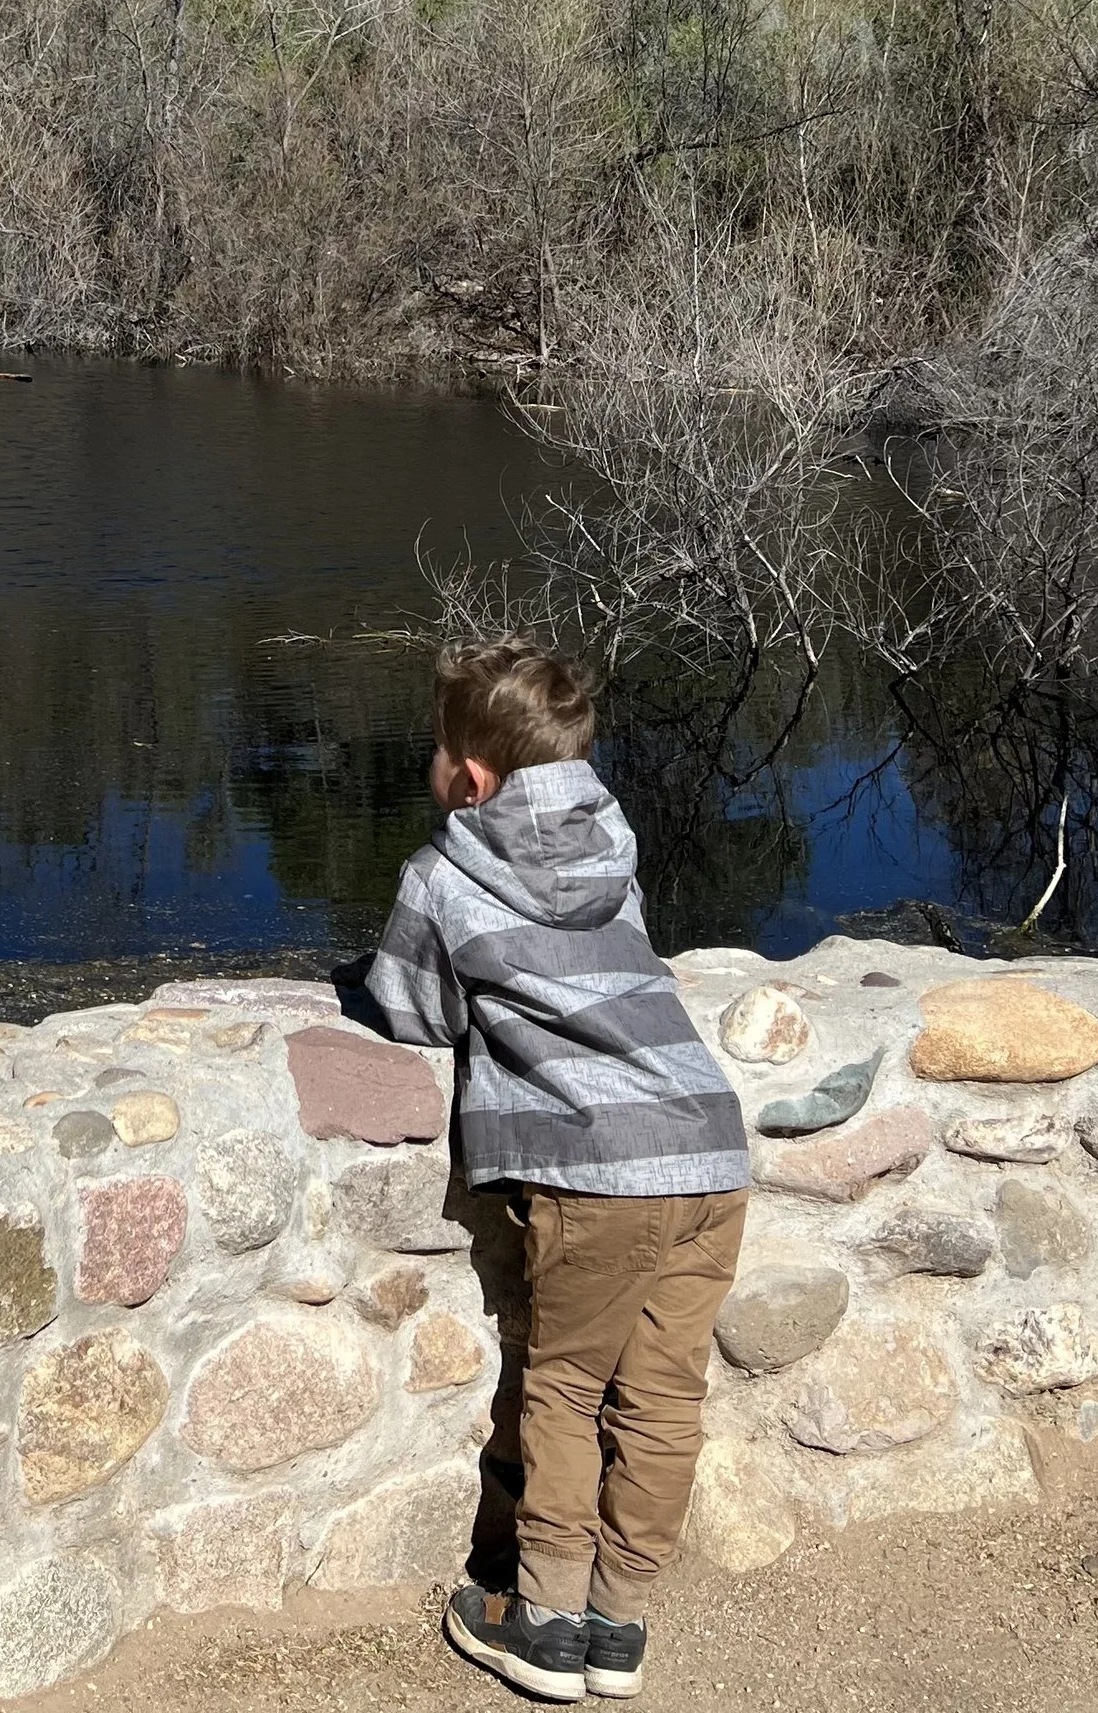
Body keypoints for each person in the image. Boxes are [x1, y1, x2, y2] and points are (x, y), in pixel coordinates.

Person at [359, 638, 749, 1703]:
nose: (431, 767)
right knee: (664, 1396)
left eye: (436, 752)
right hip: (710, 1145)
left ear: (470, 778)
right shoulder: (611, 846)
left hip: (600, 1166)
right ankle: (618, 1624)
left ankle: (543, 1620)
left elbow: (411, 1008)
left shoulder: (445, 871)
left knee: (568, 1389)